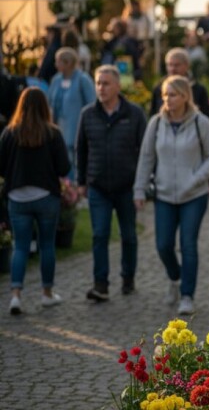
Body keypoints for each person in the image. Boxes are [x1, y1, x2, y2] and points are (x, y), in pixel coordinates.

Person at [134, 76, 209, 315]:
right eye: (164, 95)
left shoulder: (200, 122)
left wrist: (195, 179)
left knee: (188, 245)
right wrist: (139, 189)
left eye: (172, 94)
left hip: (194, 195)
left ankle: (187, 295)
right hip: (163, 194)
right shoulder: (156, 123)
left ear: (185, 96)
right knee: (163, 245)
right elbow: (146, 158)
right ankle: (175, 277)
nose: (167, 99)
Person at [76, 65, 147, 301]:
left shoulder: (134, 114)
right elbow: (81, 150)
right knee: (99, 234)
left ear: (117, 86)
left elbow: (145, 151)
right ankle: (101, 284)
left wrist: (142, 183)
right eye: (98, 83)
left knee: (128, 235)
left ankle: (128, 278)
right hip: (98, 187)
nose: (101, 88)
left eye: (105, 83)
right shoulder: (88, 114)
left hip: (127, 185)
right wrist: (81, 182)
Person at [0, 87, 70, 314]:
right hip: (46, 196)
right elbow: (64, 167)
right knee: (47, 245)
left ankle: (15, 296)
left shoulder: (9, 133)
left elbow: (1, 167)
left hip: (17, 197)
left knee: (20, 247)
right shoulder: (52, 133)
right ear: (44, 106)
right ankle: (46, 293)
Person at [47, 46, 95, 177]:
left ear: (67, 63)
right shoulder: (56, 80)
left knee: (77, 160)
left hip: (77, 128)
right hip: (59, 128)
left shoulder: (83, 79)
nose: (55, 65)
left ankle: (76, 187)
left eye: (58, 61)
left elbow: (92, 103)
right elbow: (50, 101)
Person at [149, 48, 209, 117]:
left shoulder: (198, 89)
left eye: (177, 65)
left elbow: (207, 116)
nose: (172, 69)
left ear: (187, 66)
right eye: (170, 65)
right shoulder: (159, 88)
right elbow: (153, 113)